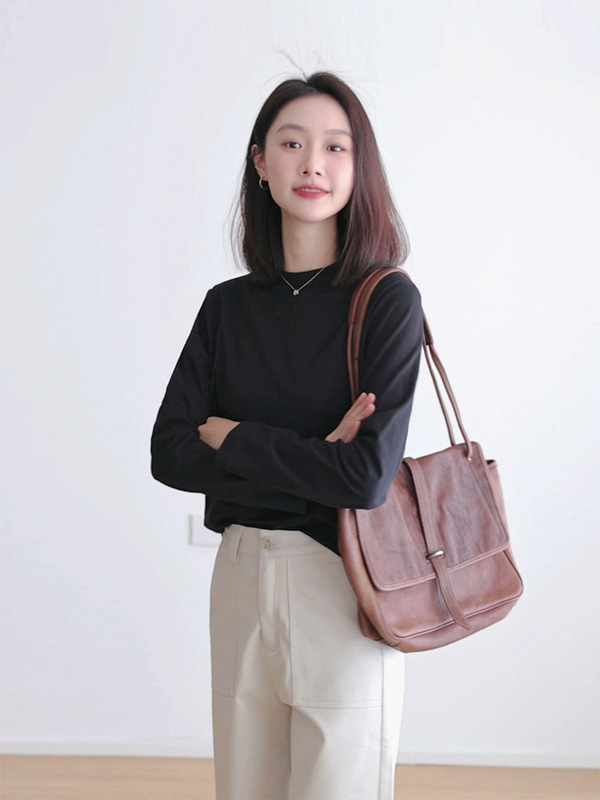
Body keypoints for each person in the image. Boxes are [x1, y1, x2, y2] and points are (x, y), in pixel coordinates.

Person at [151, 71, 423, 800]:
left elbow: (364, 478)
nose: (313, 164)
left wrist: (233, 435)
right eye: (293, 143)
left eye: (336, 147)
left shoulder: (386, 300)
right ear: (260, 162)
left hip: (342, 583)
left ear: (358, 168)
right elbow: (168, 452)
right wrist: (315, 459)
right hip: (240, 577)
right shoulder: (226, 308)